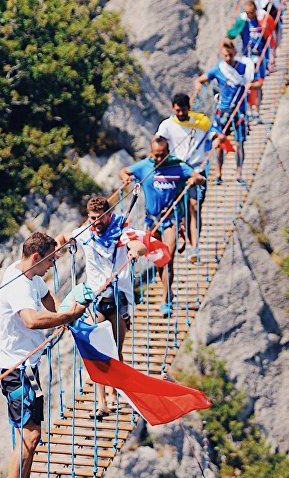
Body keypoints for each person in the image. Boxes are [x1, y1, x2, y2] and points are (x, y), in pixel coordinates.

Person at [0, 232, 87, 478]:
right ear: (36, 257)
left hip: (29, 367)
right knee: (30, 435)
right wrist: (66, 316)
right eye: (50, 260)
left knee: (32, 435)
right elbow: (32, 321)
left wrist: (63, 315)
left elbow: (48, 298)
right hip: (16, 370)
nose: (52, 265)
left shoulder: (31, 276)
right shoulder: (17, 284)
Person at [55, 196, 147, 418]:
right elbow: (65, 236)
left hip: (117, 299)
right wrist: (59, 246)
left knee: (115, 352)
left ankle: (114, 394)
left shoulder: (120, 230)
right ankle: (102, 402)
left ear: (107, 215)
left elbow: (139, 244)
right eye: (91, 218)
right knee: (98, 351)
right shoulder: (86, 231)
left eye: (98, 218)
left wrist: (135, 252)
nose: (94, 222)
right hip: (95, 299)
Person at [119, 136, 205, 316]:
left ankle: (166, 299)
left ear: (168, 152)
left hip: (172, 219)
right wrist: (126, 179)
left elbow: (199, 177)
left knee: (167, 258)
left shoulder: (178, 166)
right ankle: (168, 291)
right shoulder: (145, 166)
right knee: (158, 261)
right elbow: (125, 170)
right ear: (151, 152)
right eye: (156, 155)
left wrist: (194, 180)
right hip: (152, 221)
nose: (159, 159)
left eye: (162, 155)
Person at [156, 93, 212, 262]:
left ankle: (194, 247)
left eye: (184, 110)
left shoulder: (200, 122)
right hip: (176, 171)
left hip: (196, 170)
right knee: (178, 210)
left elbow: (214, 133)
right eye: (178, 110)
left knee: (194, 207)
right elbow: (157, 142)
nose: (181, 114)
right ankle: (183, 236)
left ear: (189, 108)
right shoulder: (167, 125)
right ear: (173, 108)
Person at [193, 39, 254, 185]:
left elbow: (254, 82)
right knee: (220, 143)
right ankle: (219, 174)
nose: (228, 59)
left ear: (235, 54)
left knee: (239, 143)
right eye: (225, 56)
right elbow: (201, 79)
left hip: (239, 112)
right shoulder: (218, 69)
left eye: (230, 56)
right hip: (223, 111)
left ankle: (239, 173)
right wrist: (198, 86)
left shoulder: (244, 68)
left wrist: (250, 88)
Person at [239, 0, 276, 121]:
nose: (250, 15)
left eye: (251, 12)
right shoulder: (244, 23)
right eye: (248, 13)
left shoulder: (262, 19)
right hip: (248, 59)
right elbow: (234, 32)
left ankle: (257, 110)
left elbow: (270, 37)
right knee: (248, 84)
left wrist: (272, 56)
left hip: (260, 57)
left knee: (258, 84)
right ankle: (250, 109)